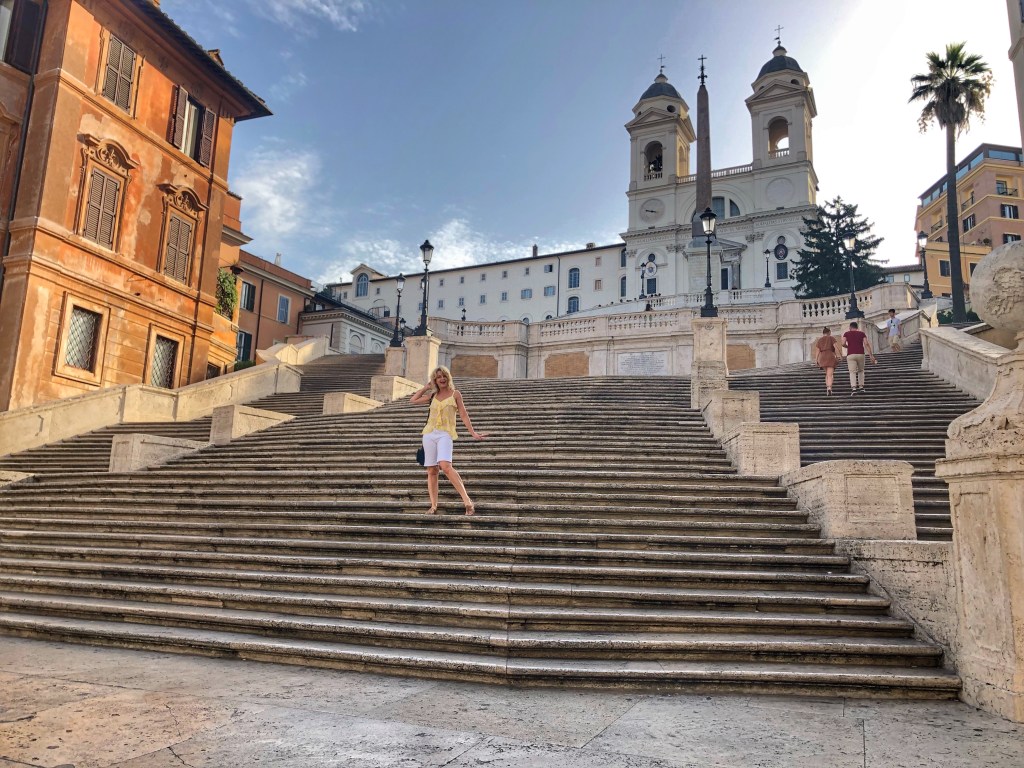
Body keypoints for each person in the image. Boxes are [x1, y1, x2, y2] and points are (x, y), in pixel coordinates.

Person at [410, 366, 488, 515]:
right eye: (438, 377)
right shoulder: (432, 396)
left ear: (448, 377)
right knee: (432, 470)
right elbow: (413, 400)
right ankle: (433, 505)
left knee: (445, 466)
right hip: (429, 434)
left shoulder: (455, 394)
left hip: (445, 434)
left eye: (444, 376)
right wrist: (426, 387)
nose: (442, 379)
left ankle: (467, 501)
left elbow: (463, 414)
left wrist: (473, 433)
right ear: (435, 380)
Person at [842, 321, 877, 394]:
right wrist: (871, 355)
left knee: (852, 372)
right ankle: (861, 387)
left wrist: (848, 347)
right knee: (861, 371)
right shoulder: (862, 333)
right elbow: (866, 344)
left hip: (851, 354)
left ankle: (854, 388)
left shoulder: (846, 333)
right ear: (857, 327)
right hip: (860, 353)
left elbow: (843, 343)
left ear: (850, 327)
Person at [812, 326, 842, 395]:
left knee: (827, 374)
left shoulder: (819, 340)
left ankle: (827, 388)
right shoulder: (831, 338)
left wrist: (816, 360)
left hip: (822, 357)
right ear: (829, 332)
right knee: (830, 374)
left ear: (823, 333)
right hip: (830, 356)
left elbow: (817, 351)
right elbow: (836, 347)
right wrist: (840, 356)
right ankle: (829, 388)